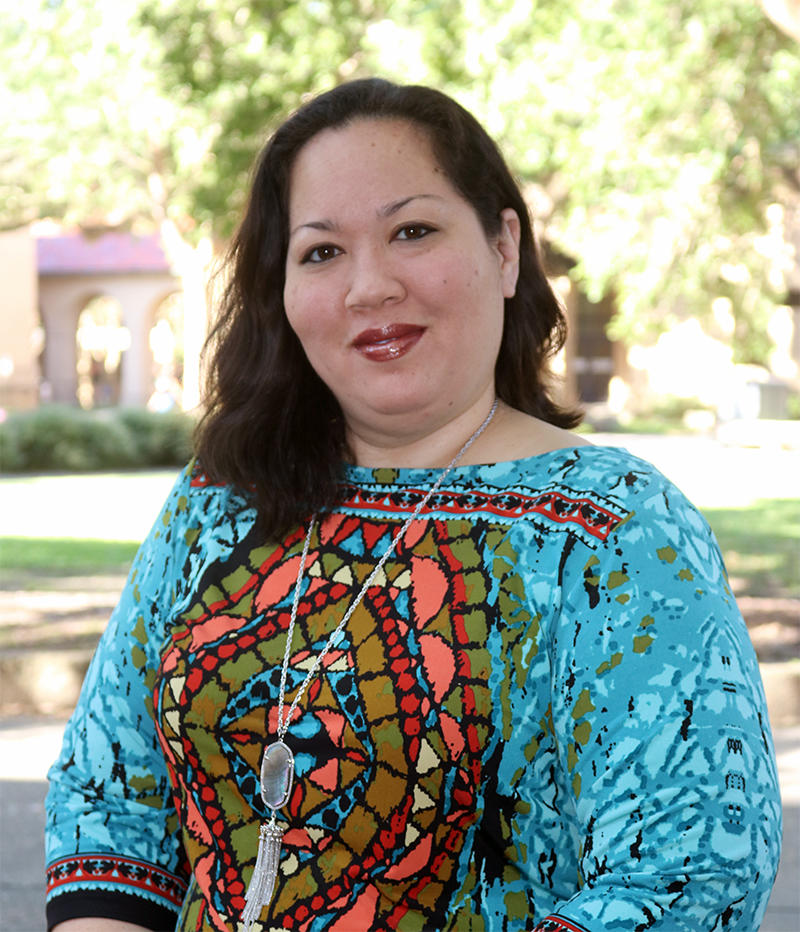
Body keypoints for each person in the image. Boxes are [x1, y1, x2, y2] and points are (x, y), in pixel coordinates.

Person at [45, 78, 781, 932]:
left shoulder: (615, 531)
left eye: (413, 231)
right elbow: (108, 795)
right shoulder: (219, 502)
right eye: (322, 252)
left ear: (505, 248)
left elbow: (686, 878)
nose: (370, 287)